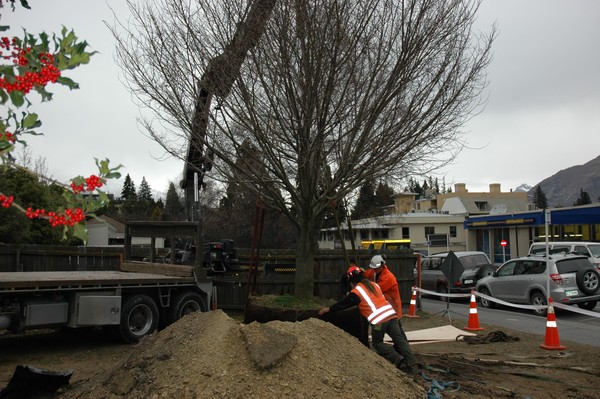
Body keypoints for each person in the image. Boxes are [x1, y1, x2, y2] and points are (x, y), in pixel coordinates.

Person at [319, 265, 417, 373]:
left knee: (377, 343)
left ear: (351, 282)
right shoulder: (374, 285)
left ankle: (397, 359)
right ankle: (412, 364)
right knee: (400, 340)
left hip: (380, 321)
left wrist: (328, 309)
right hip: (392, 316)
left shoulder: (357, 292)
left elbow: (344, 304)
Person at [365, 255, 417, 368]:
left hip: (392, 311)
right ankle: (409, 359)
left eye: (376, 268)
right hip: (387, 311)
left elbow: (374, 289)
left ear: (383, 265)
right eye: (373, 268)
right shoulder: (373, 272)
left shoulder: (388, 277)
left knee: (396, 338)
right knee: (399, 337)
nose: (375, 270)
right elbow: (366, 274)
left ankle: (407, 360)